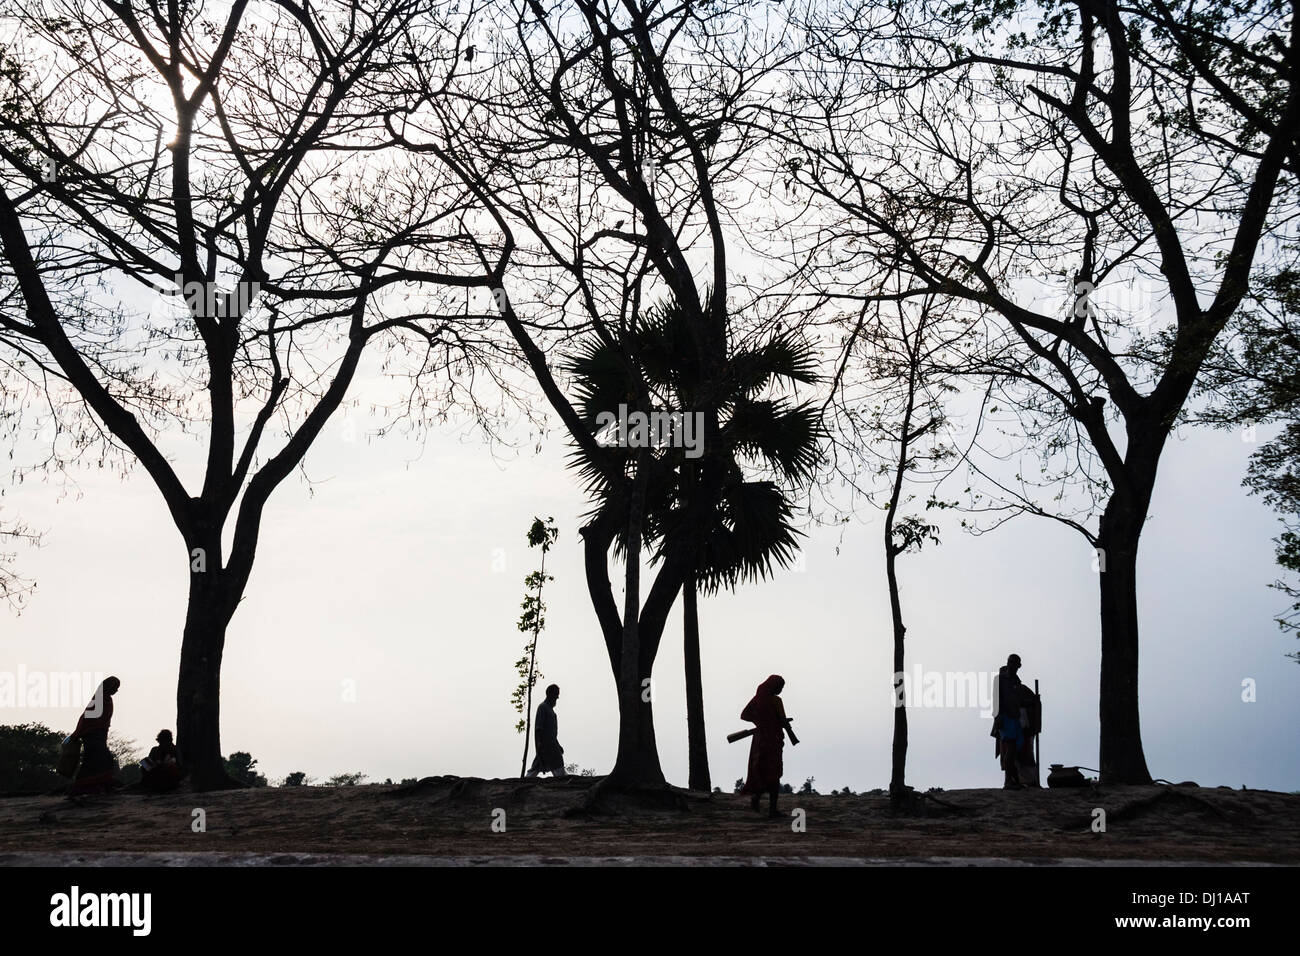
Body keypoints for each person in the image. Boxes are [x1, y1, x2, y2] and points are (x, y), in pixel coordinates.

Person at [740, 675, 794, 817]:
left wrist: (759, 722)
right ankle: (772, 809)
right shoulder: (777, 701)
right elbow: (782, 720)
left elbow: (744, 715)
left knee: (761, 770)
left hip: (760, 741)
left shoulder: (757, 700)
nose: (781, 690)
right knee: (774, 774)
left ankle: (756, 799)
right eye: (780, 687)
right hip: (772, 741)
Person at [67, 676, 122, 797]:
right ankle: (82, 788)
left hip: (99, 736)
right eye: (115, 687)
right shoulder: (99, 699)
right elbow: (86, 719)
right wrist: (77, 733)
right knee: (102, 761)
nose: (116, 690)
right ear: (109, 687)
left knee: (95, 762)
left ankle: (97, 788)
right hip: (92, 736)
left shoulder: (105, 699)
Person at [993, 654, 1036, 789]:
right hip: (1005, 717)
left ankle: (1015, 779)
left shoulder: (1016, 682)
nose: (1011, 665)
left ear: (1019, 666)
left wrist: (1032, 701)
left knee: (1015, 750)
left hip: (1015, 718)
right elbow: (996, 699)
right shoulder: (999, 679)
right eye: (1010, 662)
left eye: (1014, 663)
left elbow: (1019, 701)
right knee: (1010, 749)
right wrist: (997, 717)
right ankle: (1008, 781)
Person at [525, 684, 567, 778]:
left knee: (538, 766)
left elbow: (552, 734)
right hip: (545, 745)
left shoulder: (551, 711)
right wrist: (539, 744)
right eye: (556, 695)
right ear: (550, 695)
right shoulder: (543, 707)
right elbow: (539, 728)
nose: (557, 697)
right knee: (555, 765)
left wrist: (557, 744)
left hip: (552, 745)